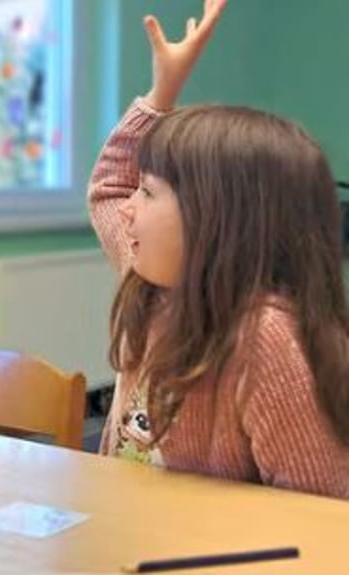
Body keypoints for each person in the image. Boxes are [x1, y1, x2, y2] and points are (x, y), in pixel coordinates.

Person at [90, 0, 349, 498]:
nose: (128, 209)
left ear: (213, 220)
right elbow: (108, 189)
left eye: (147, 192)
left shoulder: (269, 342)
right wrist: (160, 94)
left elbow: (322, 520)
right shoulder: (150, 284)